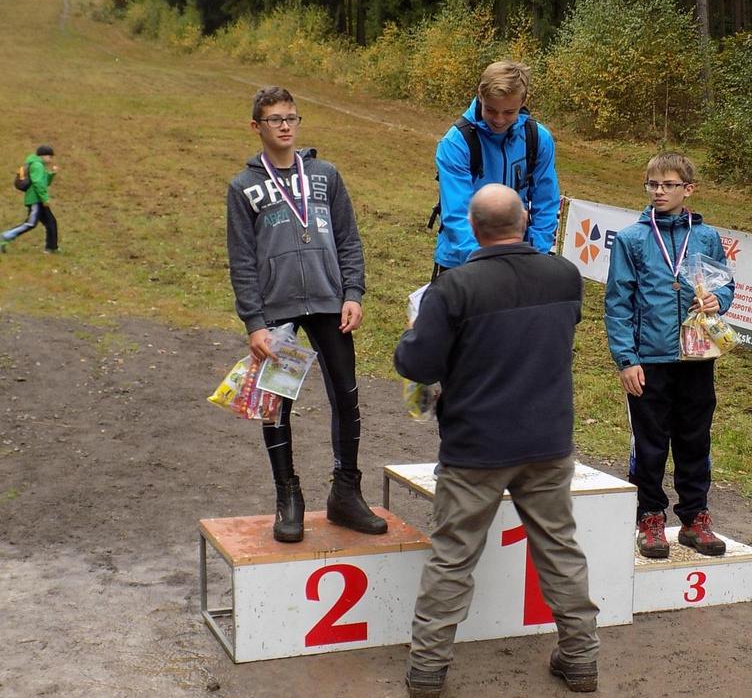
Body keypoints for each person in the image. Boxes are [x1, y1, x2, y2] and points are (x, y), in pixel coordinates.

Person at [395, 184, 599, 697]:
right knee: (560, 550)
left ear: (473, 227)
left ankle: (427, 670)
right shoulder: (565, 275)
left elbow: (416, 365)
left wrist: (418, 328)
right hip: (547, 440)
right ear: (525, 219)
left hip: (475, 448)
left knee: (452, 557)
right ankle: (580, 659)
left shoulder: (454, 289)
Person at [226, 86, 386, 543]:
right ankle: (288, 496)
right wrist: (254, 322)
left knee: (346, 396)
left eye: (291, 118)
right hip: (277, 311)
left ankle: (346, 492)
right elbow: (241, 259)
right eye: (275, 119)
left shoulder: (325, 175)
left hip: (328, 302)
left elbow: (349, 239)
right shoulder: (243, 187)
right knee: (275, 404)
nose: (285, 126)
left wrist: (352, 292)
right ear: (256, 126)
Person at [603, 152, 735, 559]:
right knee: (650, 442)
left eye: (668, 185)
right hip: (650, 359)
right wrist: (627, 359)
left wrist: (719, 299)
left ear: (688, 189)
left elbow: (726, 284)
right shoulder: (632, 238)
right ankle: (650, 517)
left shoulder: (707, 236)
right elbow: (618, 302)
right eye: (652, 185)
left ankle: (695, 517)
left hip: (696, 356)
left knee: (695, 438)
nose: (659, 191)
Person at [432, 60, 560, 278]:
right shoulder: (456, 143)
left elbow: (546, 203)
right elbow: (456, 214)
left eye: (509, 112)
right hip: (463, 262)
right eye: (491, 110)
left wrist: (535, 256)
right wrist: (488, 268)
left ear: (523, 101)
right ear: (480, 96)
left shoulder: (538, 139)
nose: (499, 120)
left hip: (521, 260)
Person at [2, 145, 59, 253]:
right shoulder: (37, 165)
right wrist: (44, 199)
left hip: (38, 199)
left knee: (51, 222)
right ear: (44, 156)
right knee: (30, 223)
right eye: (50, 156)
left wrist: (52, 174)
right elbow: (38, 183)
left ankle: (52, 247)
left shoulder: (39, 166)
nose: (51, 159)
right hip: (35, 200)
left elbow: (45, 182)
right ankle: (4, 237)